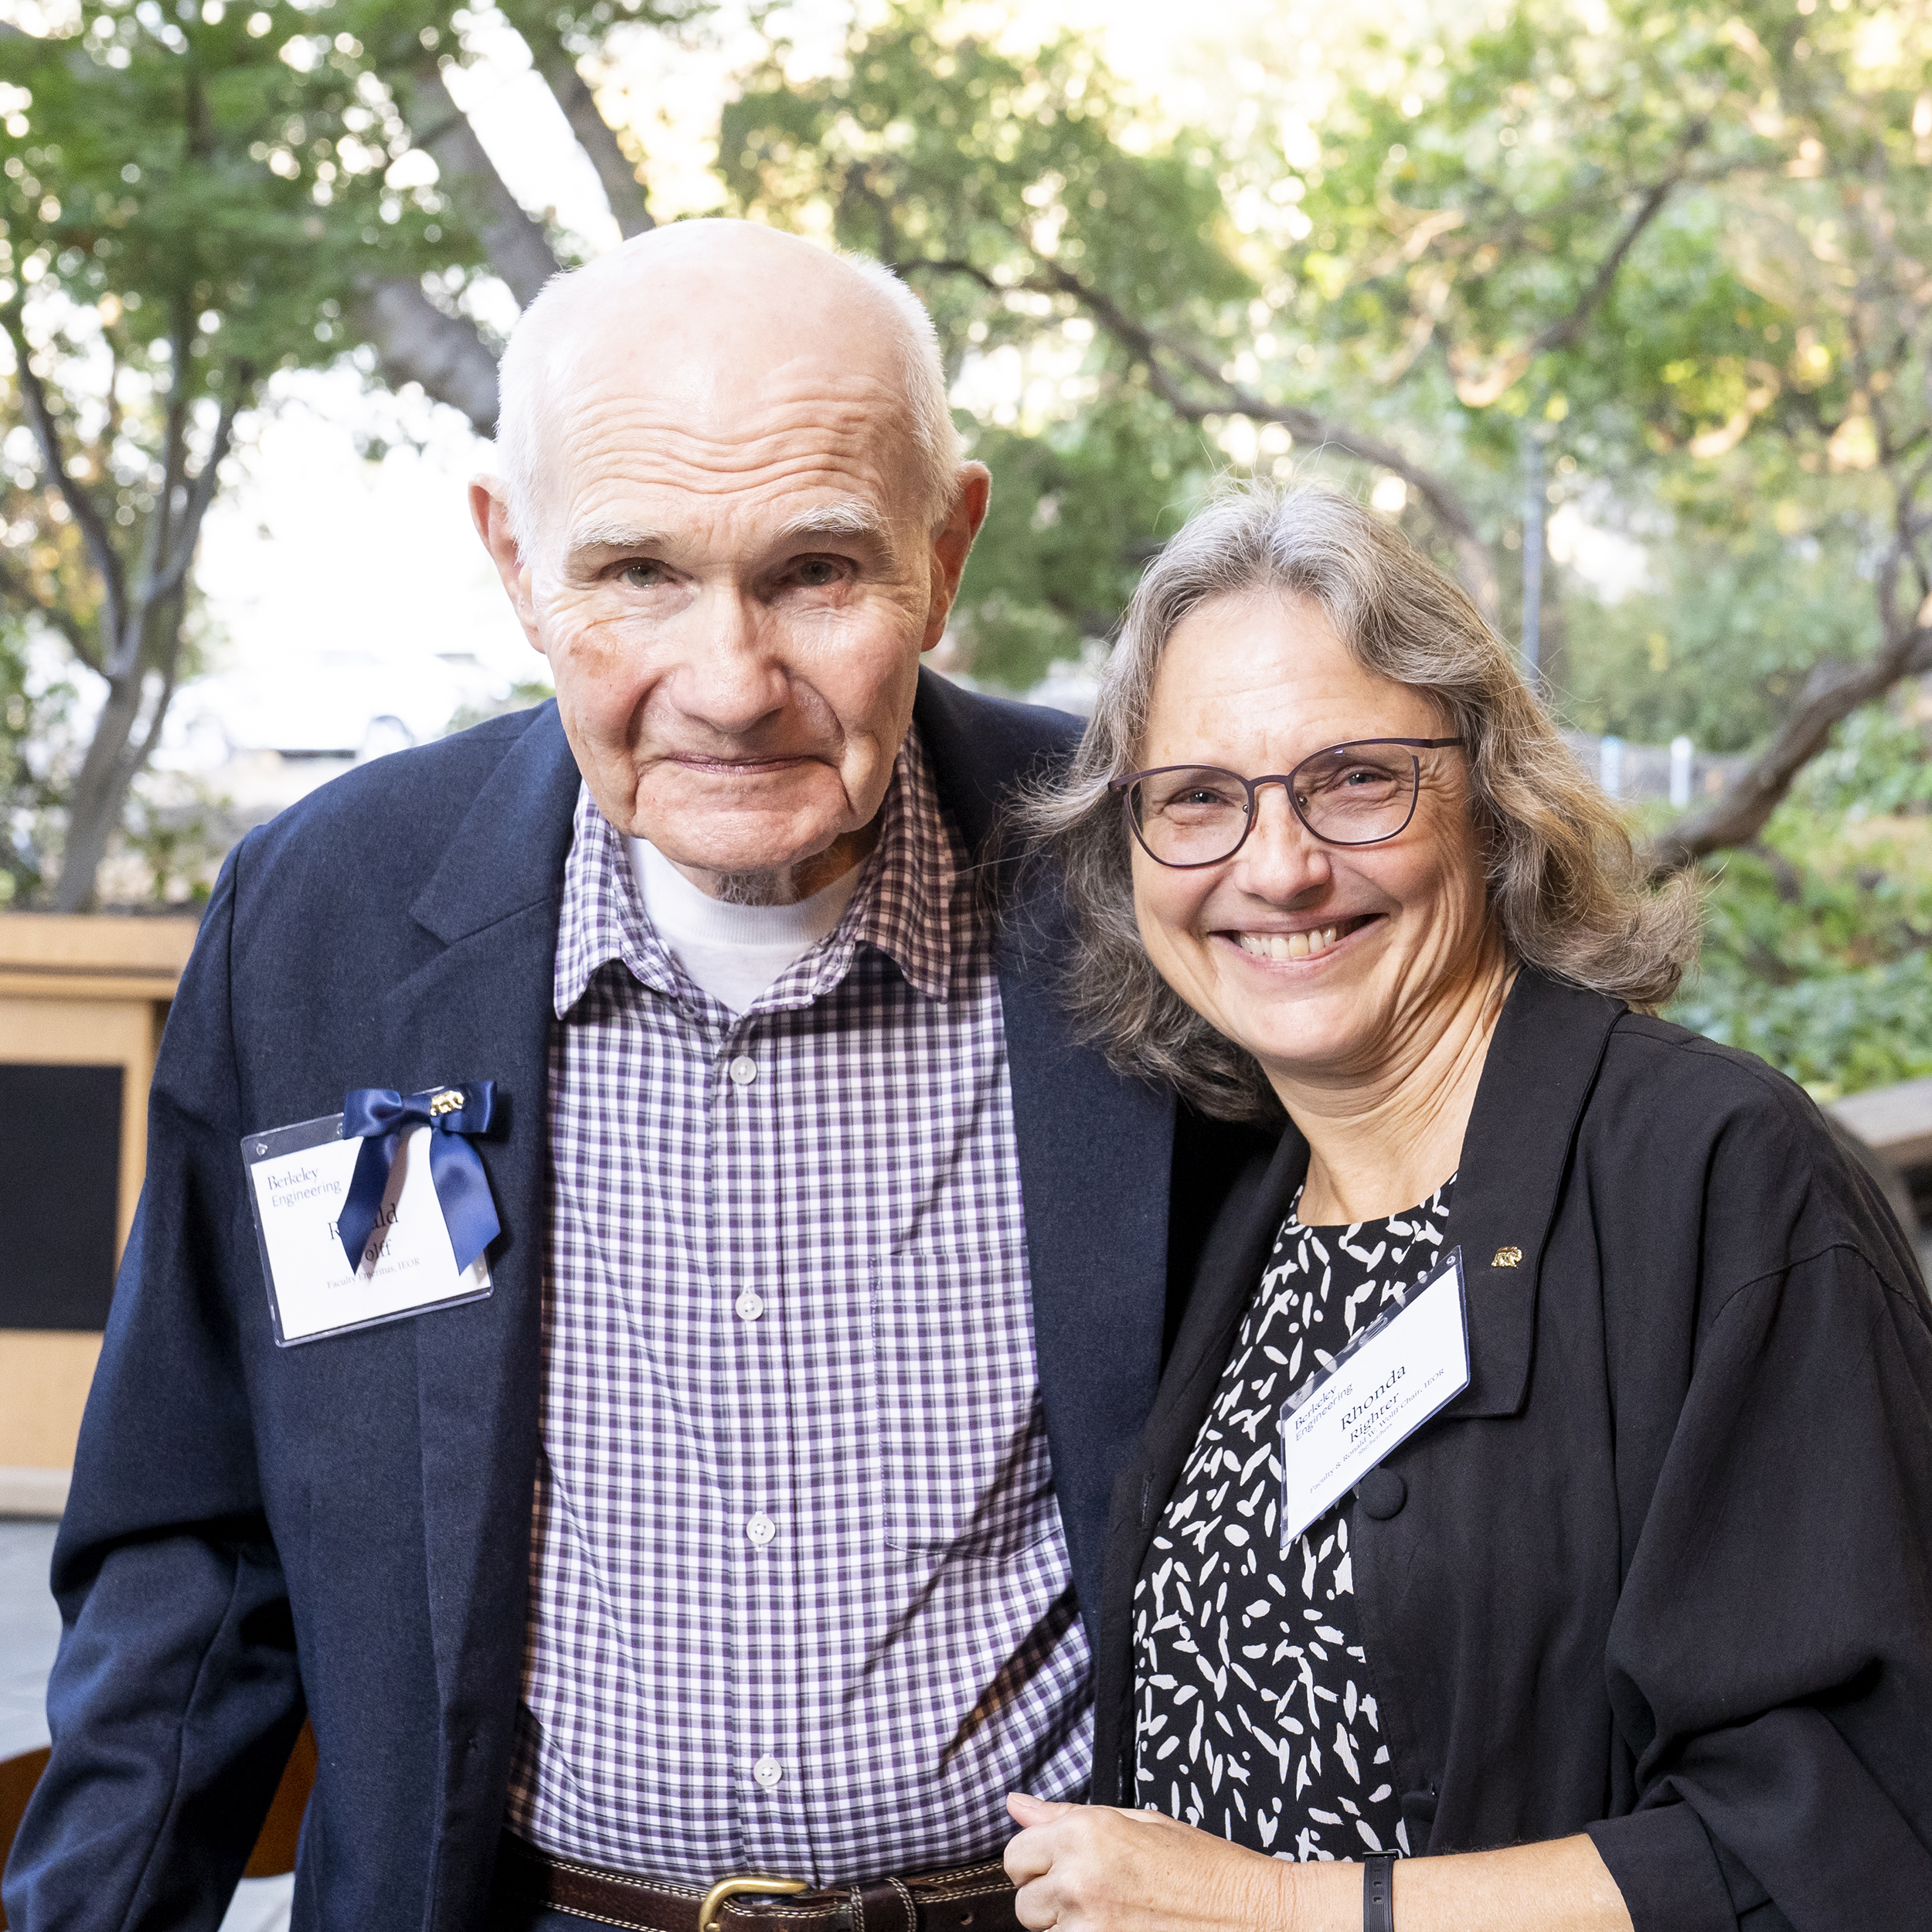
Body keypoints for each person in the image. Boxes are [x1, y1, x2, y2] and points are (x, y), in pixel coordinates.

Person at [2, 223, 1254, 1932]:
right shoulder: (324, 921)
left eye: (817, 571)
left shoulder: (1156, 871)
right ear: (516, 560)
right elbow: (201, 1557)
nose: (728, 685)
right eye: (638, 573)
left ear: (944, 548)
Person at [1001, 483, 1932, 1932]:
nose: (1279, 865)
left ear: (1492, 790)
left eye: (1356, 778)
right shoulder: (1234, 1204)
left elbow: (1855, 1833)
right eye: (1197, 800)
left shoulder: (1717, 1175)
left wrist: (1291, 1914)